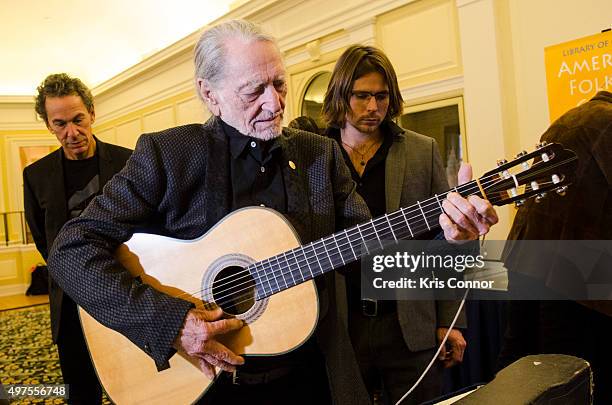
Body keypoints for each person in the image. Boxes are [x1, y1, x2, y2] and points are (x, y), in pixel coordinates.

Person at [48, 20, 496, 405]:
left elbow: (371, 251)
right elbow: (70, 249)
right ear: (210, 93)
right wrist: (171, 321)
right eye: (254, 90)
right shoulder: (170, 154)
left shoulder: (318, 154)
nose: (274, 102)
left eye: (279, 83)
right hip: (204, 381)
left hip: (309, 379)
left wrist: (447, 236)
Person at [321, 45, 498, 404]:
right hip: (340, 326)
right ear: (341, 95)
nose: (374, 107)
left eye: (382, 96)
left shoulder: (422, 150)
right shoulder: (315, 152)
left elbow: (448, 239)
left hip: (408, 325)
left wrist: (450, 319)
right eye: (362, 96)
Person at [23, 73, 132, 404]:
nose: (71, 133)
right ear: (49, 126)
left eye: (78, 119)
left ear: (92, 113)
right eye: (60, 124)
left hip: (127, 293)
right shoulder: (35, 176)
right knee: (80, 392)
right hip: (70, 303)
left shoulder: (129, 161)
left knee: (134, 388)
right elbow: (45, 241)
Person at [498, 91, 612, 404]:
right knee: (565, 377)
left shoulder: (575, 117)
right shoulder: (606, 123)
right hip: (571, 276)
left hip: (528, 257)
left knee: (520, 364)